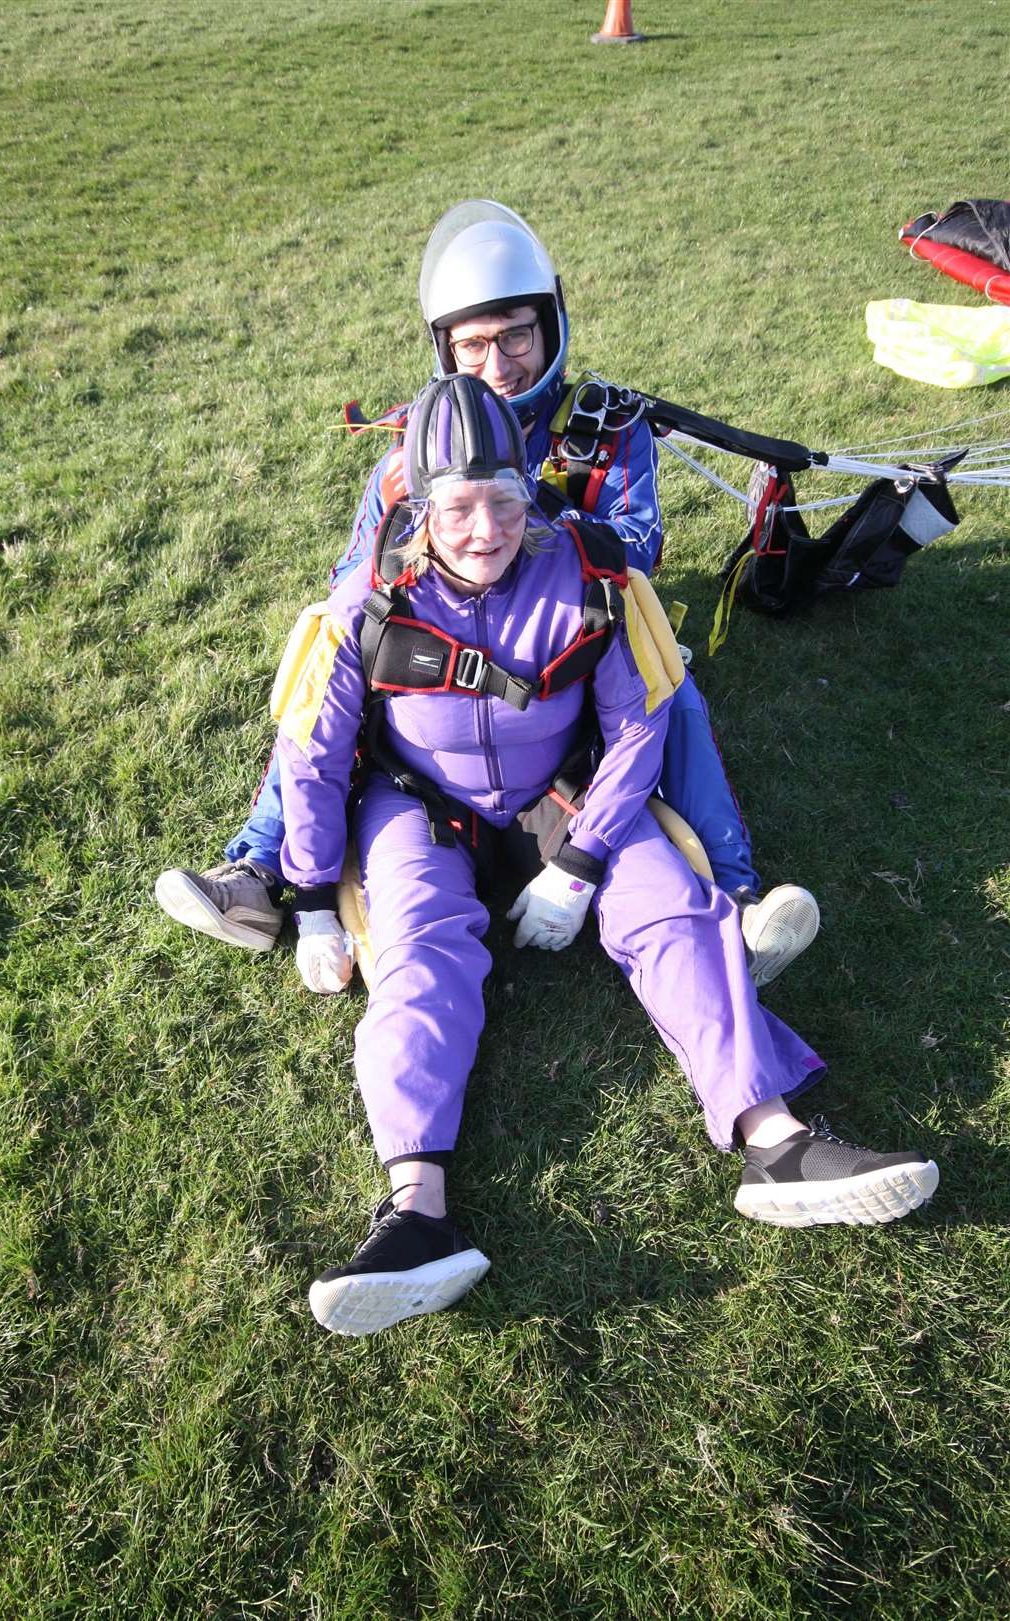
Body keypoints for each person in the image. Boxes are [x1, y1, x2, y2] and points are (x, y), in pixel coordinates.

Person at [271, 373, 937, 1338]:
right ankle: (415, 1213)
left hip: (564, 797)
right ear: (418, 503)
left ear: (528, 490)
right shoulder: (363, 602)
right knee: (417, 951)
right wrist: (311, 901)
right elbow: (316, 756)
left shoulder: (590, 571)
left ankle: (777, 1144)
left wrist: (579, 864)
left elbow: (640, 727)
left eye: (504, 500)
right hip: (420, 808)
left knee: (672, 904)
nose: (484, 529)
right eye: (456, 506)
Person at [155, 202, 820, 989]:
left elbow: (637, 547)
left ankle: (737, 898)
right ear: (445, 350)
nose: (498, 365)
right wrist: (399, 535)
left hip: (567, 643)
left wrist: (508, 503)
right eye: (473, 346)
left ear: (549, 327)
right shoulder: (414, 443)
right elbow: (349, 584)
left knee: (667, 681)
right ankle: (262, 874)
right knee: (323, 672)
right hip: (436, 653)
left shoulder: (604, 429)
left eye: (514, 337)